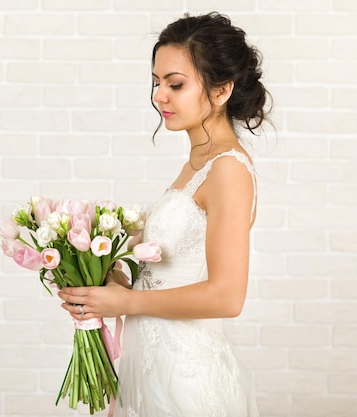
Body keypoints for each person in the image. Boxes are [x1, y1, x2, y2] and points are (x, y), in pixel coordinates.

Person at [57, 12, 271, 417]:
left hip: (187, 374)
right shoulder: (198, 162)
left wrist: (125, 301)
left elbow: (227, 296)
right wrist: (96, 282)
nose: (159, 96)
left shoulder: (227, 168)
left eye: (175, 84)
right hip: (152, 364)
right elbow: (161, 270)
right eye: (157, 82)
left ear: (222, 89)